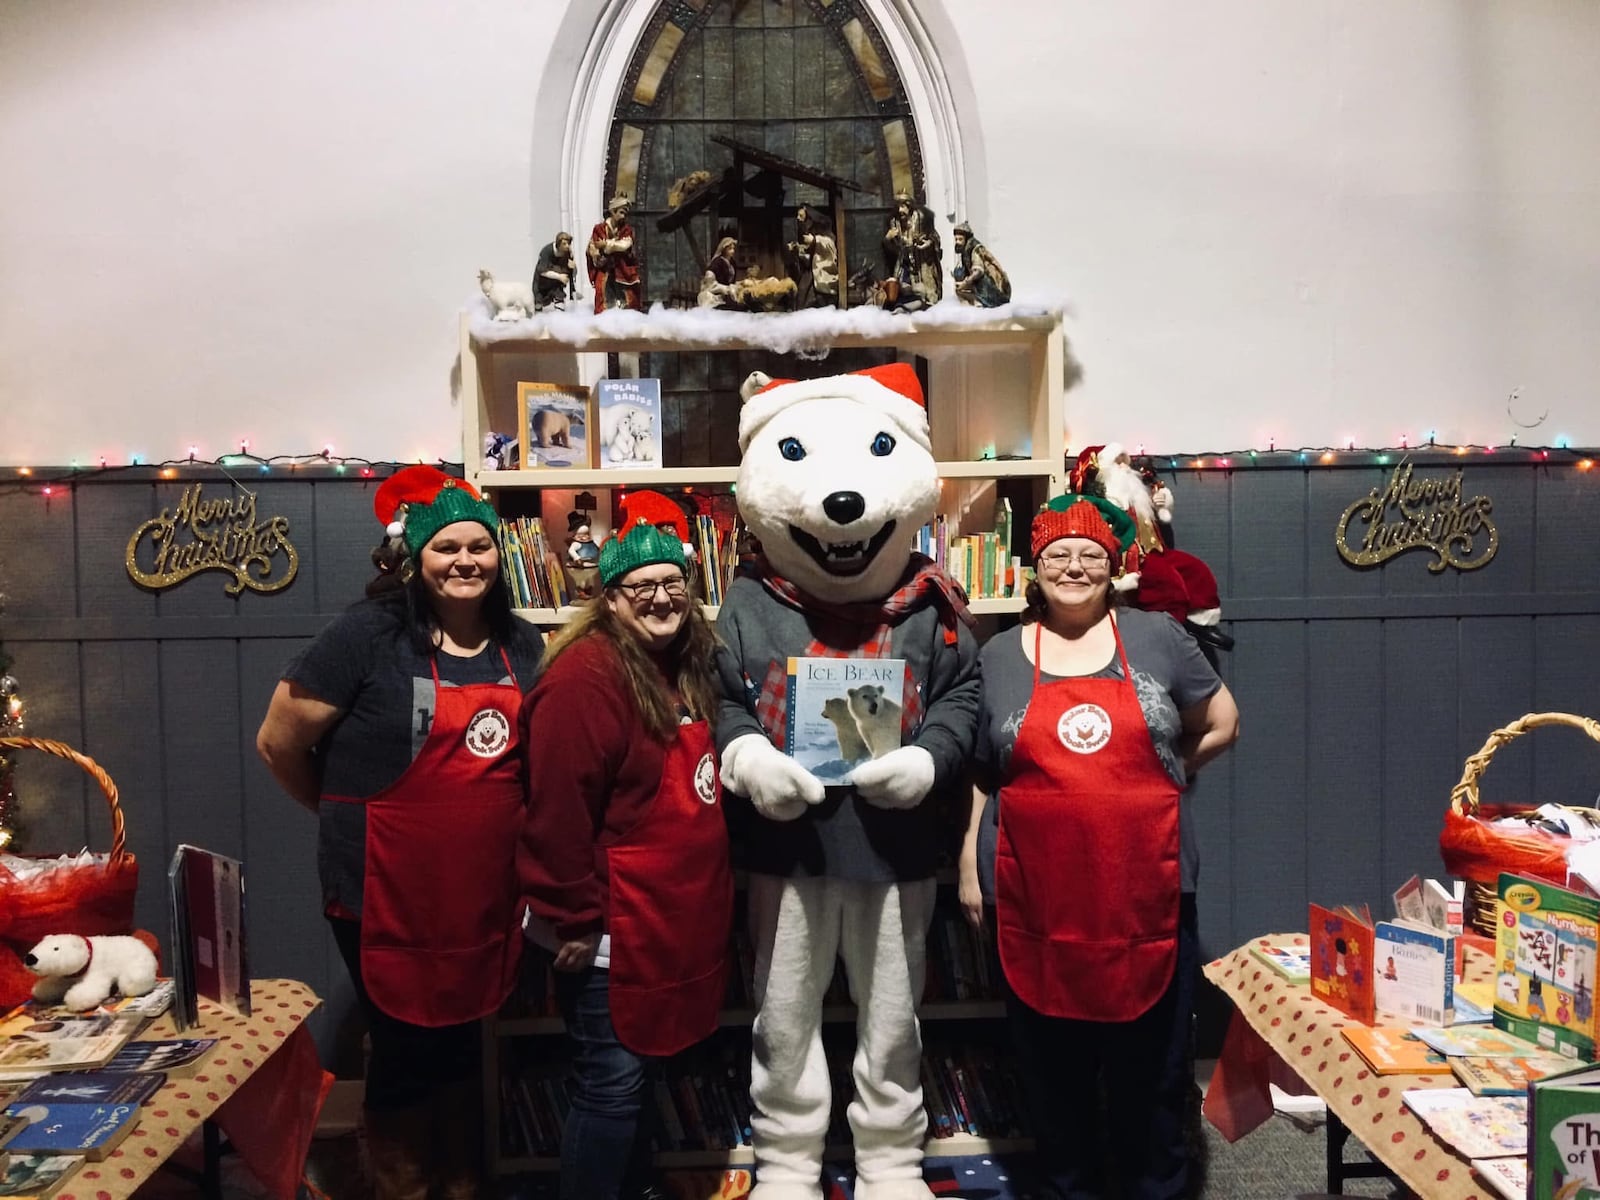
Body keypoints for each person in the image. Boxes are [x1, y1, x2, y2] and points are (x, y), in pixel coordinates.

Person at [255, 465, 544, 1200]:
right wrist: (340, 814)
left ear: (497, 555)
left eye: (479, 546)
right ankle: (404, 1184)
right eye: (447, 547)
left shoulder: (521, 645)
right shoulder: (369, 635)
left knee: (461, 1040)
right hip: (379, 885)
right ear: (417, 559)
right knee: (408, 1045)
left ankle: (460, 1183)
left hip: (483, 890)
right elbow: (278, 742)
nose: (465, 561)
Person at [958, 493, 1240, 1200]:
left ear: (1112, 567)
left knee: (1154, 1077)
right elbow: (984, 776)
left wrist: (1165, 774)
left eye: (1090, 555)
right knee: (1055, 1084)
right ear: (1035, 567)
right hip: (1037, 898)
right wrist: (968, 862)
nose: (1075, 567)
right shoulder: (996, 655)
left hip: (1149, 889)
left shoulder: (1157, 637)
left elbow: (1224, 721)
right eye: (1059, 554)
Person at [518, 518, 732, 1200]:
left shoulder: (683, 666)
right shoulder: (585, 680)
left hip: (669, 920)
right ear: (609, 599)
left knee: (637, 1084)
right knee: (610, 1089)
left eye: (674, 583)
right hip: (611, 928)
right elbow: (555, 812)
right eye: (641, 587)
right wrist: (573, 917)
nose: (662, 598)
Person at [881, 190, 942, 310]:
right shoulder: (894, 222)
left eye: (903, 206)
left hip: (922, 261)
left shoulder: (921, 219)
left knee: (927, 292)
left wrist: (928, 243)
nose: (900, 210)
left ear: (909, 206)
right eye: (898, 206)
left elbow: (934, 237)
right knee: (902, 289)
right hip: (904, 262)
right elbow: (892, 250)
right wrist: (887, 239)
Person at [587, 194, 642, 313]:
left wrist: (609, 245)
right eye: (621, 212)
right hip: (605, 268)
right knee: (603, 296)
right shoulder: (599, 229)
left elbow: (625, 245)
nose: (623, 216)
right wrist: (608, 248)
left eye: (625, 214)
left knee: (629, 298)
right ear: (613, 211)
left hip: (622, 269)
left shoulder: (626, 229)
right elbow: (595, 247)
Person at [785, 206, 839, 308]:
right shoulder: (805, 231)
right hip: (809, 271)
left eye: (801, 215)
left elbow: (830, 245)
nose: (798, 218)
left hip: (821, 272)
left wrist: (814, 240)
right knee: (801, 294)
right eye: (798, 215)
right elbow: (807, 252)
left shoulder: (823, 231)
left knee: (816, 299)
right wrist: (797, 248)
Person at [951, 221, 1011, 308]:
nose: (958, 242)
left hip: (990, 285)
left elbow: (978, 271)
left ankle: (979, 303)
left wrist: (966, 282)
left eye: (960, 239)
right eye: (956, 239)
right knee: (959, 291)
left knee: (962, 290)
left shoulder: (975, 250)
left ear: (966, 238)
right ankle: (973, 303)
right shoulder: (965, 252)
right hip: (977, 283)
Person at [535, 231, 578, 310]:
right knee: (539, 305)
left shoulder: (567, 253)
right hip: (543, 284)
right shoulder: (546, 251)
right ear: (558, 244)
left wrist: (573, 268)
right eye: (564, 244)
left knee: (559, 300)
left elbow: (571, 272)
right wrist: (559, 277)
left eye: (568, 244)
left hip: (556, 285)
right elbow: (542, 271)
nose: (567, 246)